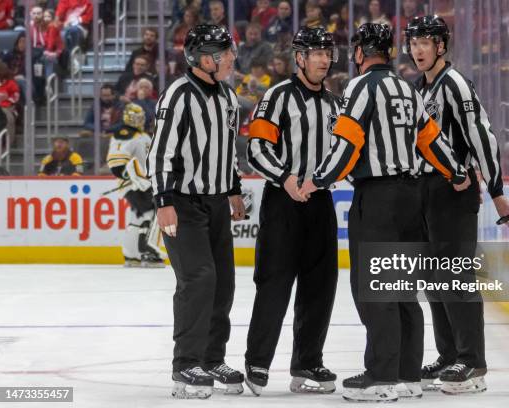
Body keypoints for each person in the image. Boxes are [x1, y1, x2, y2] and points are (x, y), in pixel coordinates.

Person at [298, 23, 470, 402]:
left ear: (360, 52)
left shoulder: (360, 87)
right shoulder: (408, 89)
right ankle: (407, 374)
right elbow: (432, 141)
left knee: (374, 288)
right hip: (412, 196)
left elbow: (346, 143)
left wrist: (317, 180)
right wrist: (456, 172)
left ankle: (380, 376)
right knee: (403, 289)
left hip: (377, 197)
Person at [404, 15, 509, 395]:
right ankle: (450, 353)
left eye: (425, 42)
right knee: (435, 278)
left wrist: (497, 190)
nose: (418, 49)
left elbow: (481, 136)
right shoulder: (422, 88)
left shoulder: (454, 84)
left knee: (454, 276)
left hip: (454, 190)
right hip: (428, 191)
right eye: (413, 42)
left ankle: (472, 362)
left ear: (441, 45)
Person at [146, 24, 246, 399]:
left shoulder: (227, 96)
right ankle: (185, 364)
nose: (233, 58)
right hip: (183, 203)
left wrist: (233, 189)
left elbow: (227, 149)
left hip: (217, 202)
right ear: (206, 59)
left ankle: (210, 356)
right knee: (198, 279)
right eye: (226, 53)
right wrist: (163, 202)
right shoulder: (178, 95)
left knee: (223, 282)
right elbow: (160, 153)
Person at [244, 26, 340, 396]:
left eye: (327, 53)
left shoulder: (335, 104)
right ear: (299, 58)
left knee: (320, 286)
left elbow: (345, 153)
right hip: (282, 201)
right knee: (274, 281)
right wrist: (286, 178)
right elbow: (256, 149)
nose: (323, 59)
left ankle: (307, 362)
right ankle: (257, 361)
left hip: (320, 202)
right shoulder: (277, 96)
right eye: (316, 53)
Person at [106, 103, 165, 268]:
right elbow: (116, 163)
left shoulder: (142, 135)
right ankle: (147, 251)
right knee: (151, 212)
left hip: (143, 182)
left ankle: (131, 255)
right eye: (134, 117)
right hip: (135, 184)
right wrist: (131, 178)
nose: (138, 121)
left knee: (138, 217)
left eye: (140, 118)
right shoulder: (124, 134)